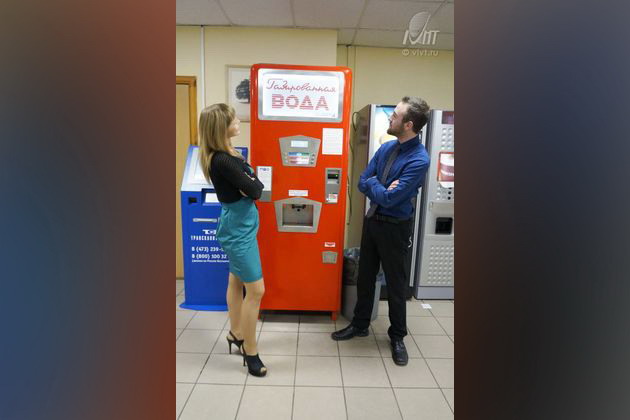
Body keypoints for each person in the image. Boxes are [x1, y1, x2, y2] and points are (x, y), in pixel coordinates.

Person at [332, 96, 431, 366]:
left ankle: (397, 337)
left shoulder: (419, 159)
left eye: (395, 115)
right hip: (373, 221)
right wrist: (381, 186)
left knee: (396, 285)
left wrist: (378, 187)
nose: (390, 117)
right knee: (365, 276)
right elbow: (363, 180)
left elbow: (390, 199)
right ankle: (360, 324)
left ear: (408, 125)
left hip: (395, 228)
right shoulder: (387, 148)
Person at [198, 103, 267, 377]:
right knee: (256, 291)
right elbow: (256, 189)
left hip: (241, 225)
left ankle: (236, 333)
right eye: (233, 119)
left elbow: (254, 186)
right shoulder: (223, 160)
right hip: (238, 231)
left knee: (236, 281)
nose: (238, 121)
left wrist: (250, 182)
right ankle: (251, 351)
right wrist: (250, 182)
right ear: (220, 128)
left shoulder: (230, 154)